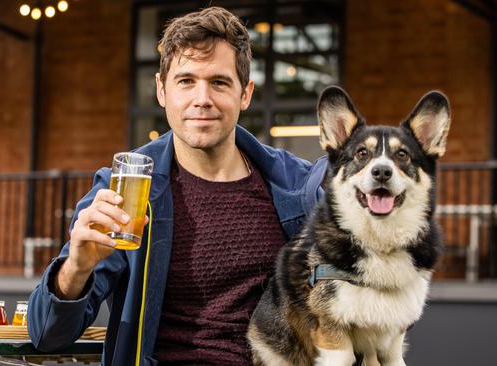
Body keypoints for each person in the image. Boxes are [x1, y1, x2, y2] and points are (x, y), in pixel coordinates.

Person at [28, 6, 327, 366]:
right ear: (161, 90)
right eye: (186, 81)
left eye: (219, 82)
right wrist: (77, 267)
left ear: (245, 94)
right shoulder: (126, 193)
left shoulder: (296, 188)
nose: (202, 99)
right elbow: (47, 335)